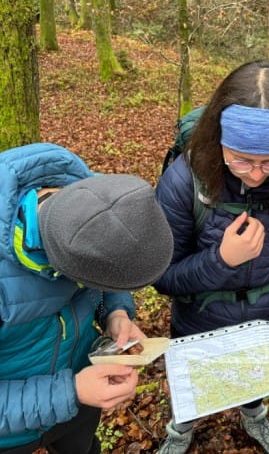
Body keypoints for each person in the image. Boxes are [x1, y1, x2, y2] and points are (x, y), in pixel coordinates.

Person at [154, 60, 269, 454]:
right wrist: (221, 260)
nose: (255, 175)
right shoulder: (183, 182)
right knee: (193, 386)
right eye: (240, 159)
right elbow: (163, 277)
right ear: (217, 140)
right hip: (198, 322)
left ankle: (254, 417)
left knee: (254, 379)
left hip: (265, 320)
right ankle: (180, 430)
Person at [0, 142, 174, 454]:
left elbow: (108, 264)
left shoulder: (93, 202)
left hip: (79, 405)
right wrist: (72, 391)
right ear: (63, 264)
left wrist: (116, 312)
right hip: (10, 434)